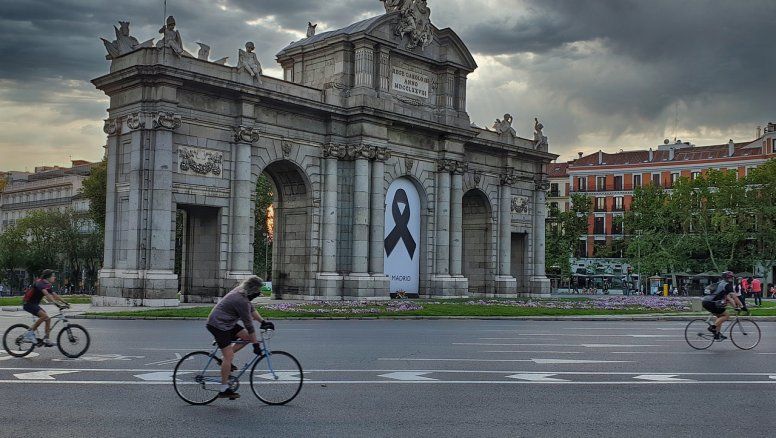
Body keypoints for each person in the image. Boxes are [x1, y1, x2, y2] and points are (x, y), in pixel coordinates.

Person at [205, 276, 273, 400]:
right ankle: (224, 389)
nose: (259, 293)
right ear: (252, 289)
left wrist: (263, 321)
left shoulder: (243, 293)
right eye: (258, 291)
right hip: (218, 325)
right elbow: (249, 325)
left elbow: (251, 309)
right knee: (229, 356)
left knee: (247, 338)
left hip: (226, 322)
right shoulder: (240, 300)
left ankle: (223, 361)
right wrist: (256, 345)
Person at [22, 270, 70, 346]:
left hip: (34, 304)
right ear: (48, 277)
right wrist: (56, 304)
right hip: (28, 304)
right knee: (44, 316)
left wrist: (65, 302)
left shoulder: (47, 284)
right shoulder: (40, 283)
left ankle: (47, 339)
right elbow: (47, 295)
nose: (54, 277)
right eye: (53, 276)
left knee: (48, 319)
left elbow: (54, 295)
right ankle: (29, 333)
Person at [702, 271, 746, 340]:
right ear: (728, 278)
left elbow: (729, 298)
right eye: (731, 277)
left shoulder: (721, 283)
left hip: (706, 302)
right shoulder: (727, 285)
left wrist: (735, 307)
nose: (732, 279)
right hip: (712, 302)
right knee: (726, 316)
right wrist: (742, 306)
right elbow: (734, 297)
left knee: (720, 317)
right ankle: (712, 327)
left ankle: (717, 334)